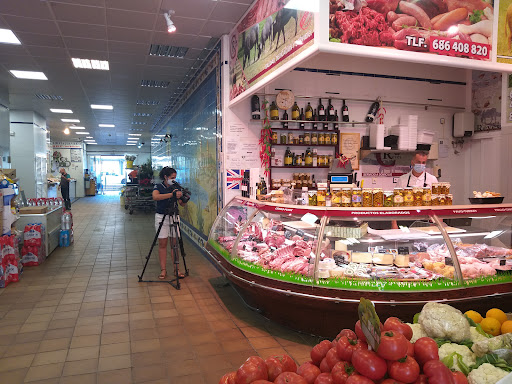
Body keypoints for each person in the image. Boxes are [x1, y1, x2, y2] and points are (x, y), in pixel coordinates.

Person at [152, 167, 187, 280]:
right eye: (172, 178)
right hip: (161, 216)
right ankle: (163, 270)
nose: (174, 180)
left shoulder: (176, 186)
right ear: (166, 177)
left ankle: (176, 269)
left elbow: (181, 204)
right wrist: (171, 195)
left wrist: (184, 198)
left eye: (175, 178)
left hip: (174, 216)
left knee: (174, 244)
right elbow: (155, 197)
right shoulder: (159, 186)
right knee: (162, 243)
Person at [392, 151, 438, 229]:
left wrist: (437, 223)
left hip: (425, 220)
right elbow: (395, 203)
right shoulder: (403, 179)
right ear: (412, 162)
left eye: (423, 162)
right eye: (418, 162)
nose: (421, 165)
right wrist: (394, 224)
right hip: (405, 220)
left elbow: (437, 203)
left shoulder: (432, 179)